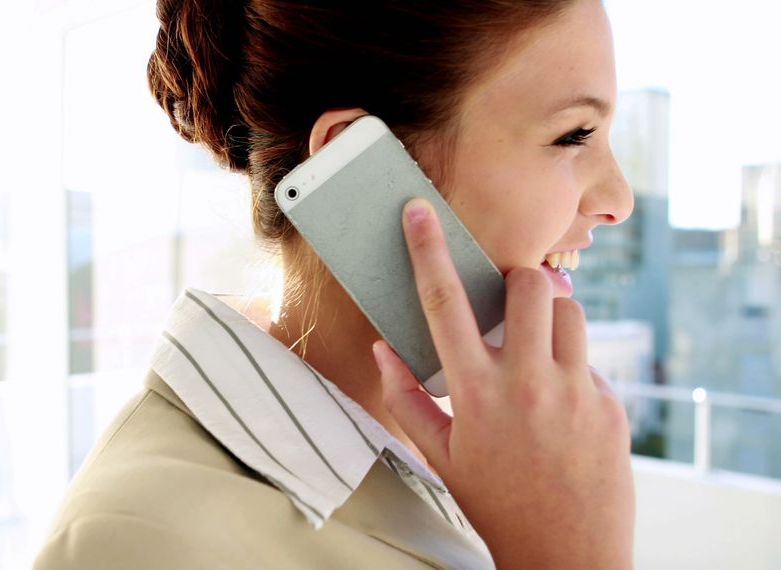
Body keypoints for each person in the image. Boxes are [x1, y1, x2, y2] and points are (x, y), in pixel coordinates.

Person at [35, 0, 636, 568]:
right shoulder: (137, 541)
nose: (619, 200)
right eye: (573, 136)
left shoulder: (495, 460)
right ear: (353, 161)